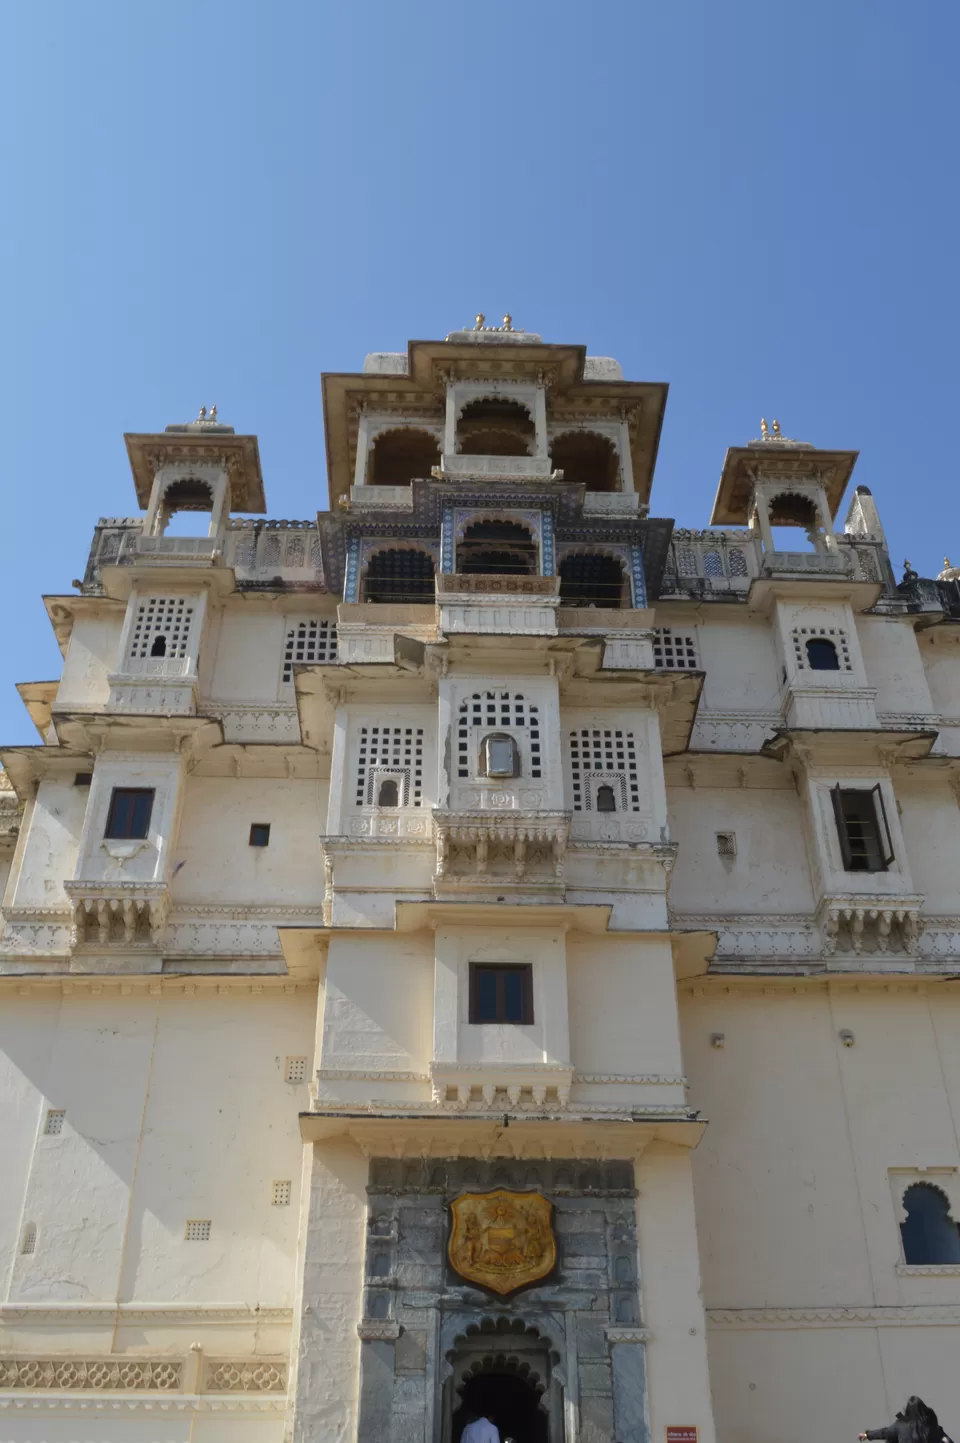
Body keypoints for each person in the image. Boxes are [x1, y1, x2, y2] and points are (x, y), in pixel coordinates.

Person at [859, 1395, 946, 1443]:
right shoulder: (930, 1424)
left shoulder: (900, 1424)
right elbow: (943, 1437)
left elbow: (885, 1433)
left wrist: (868, 1435)